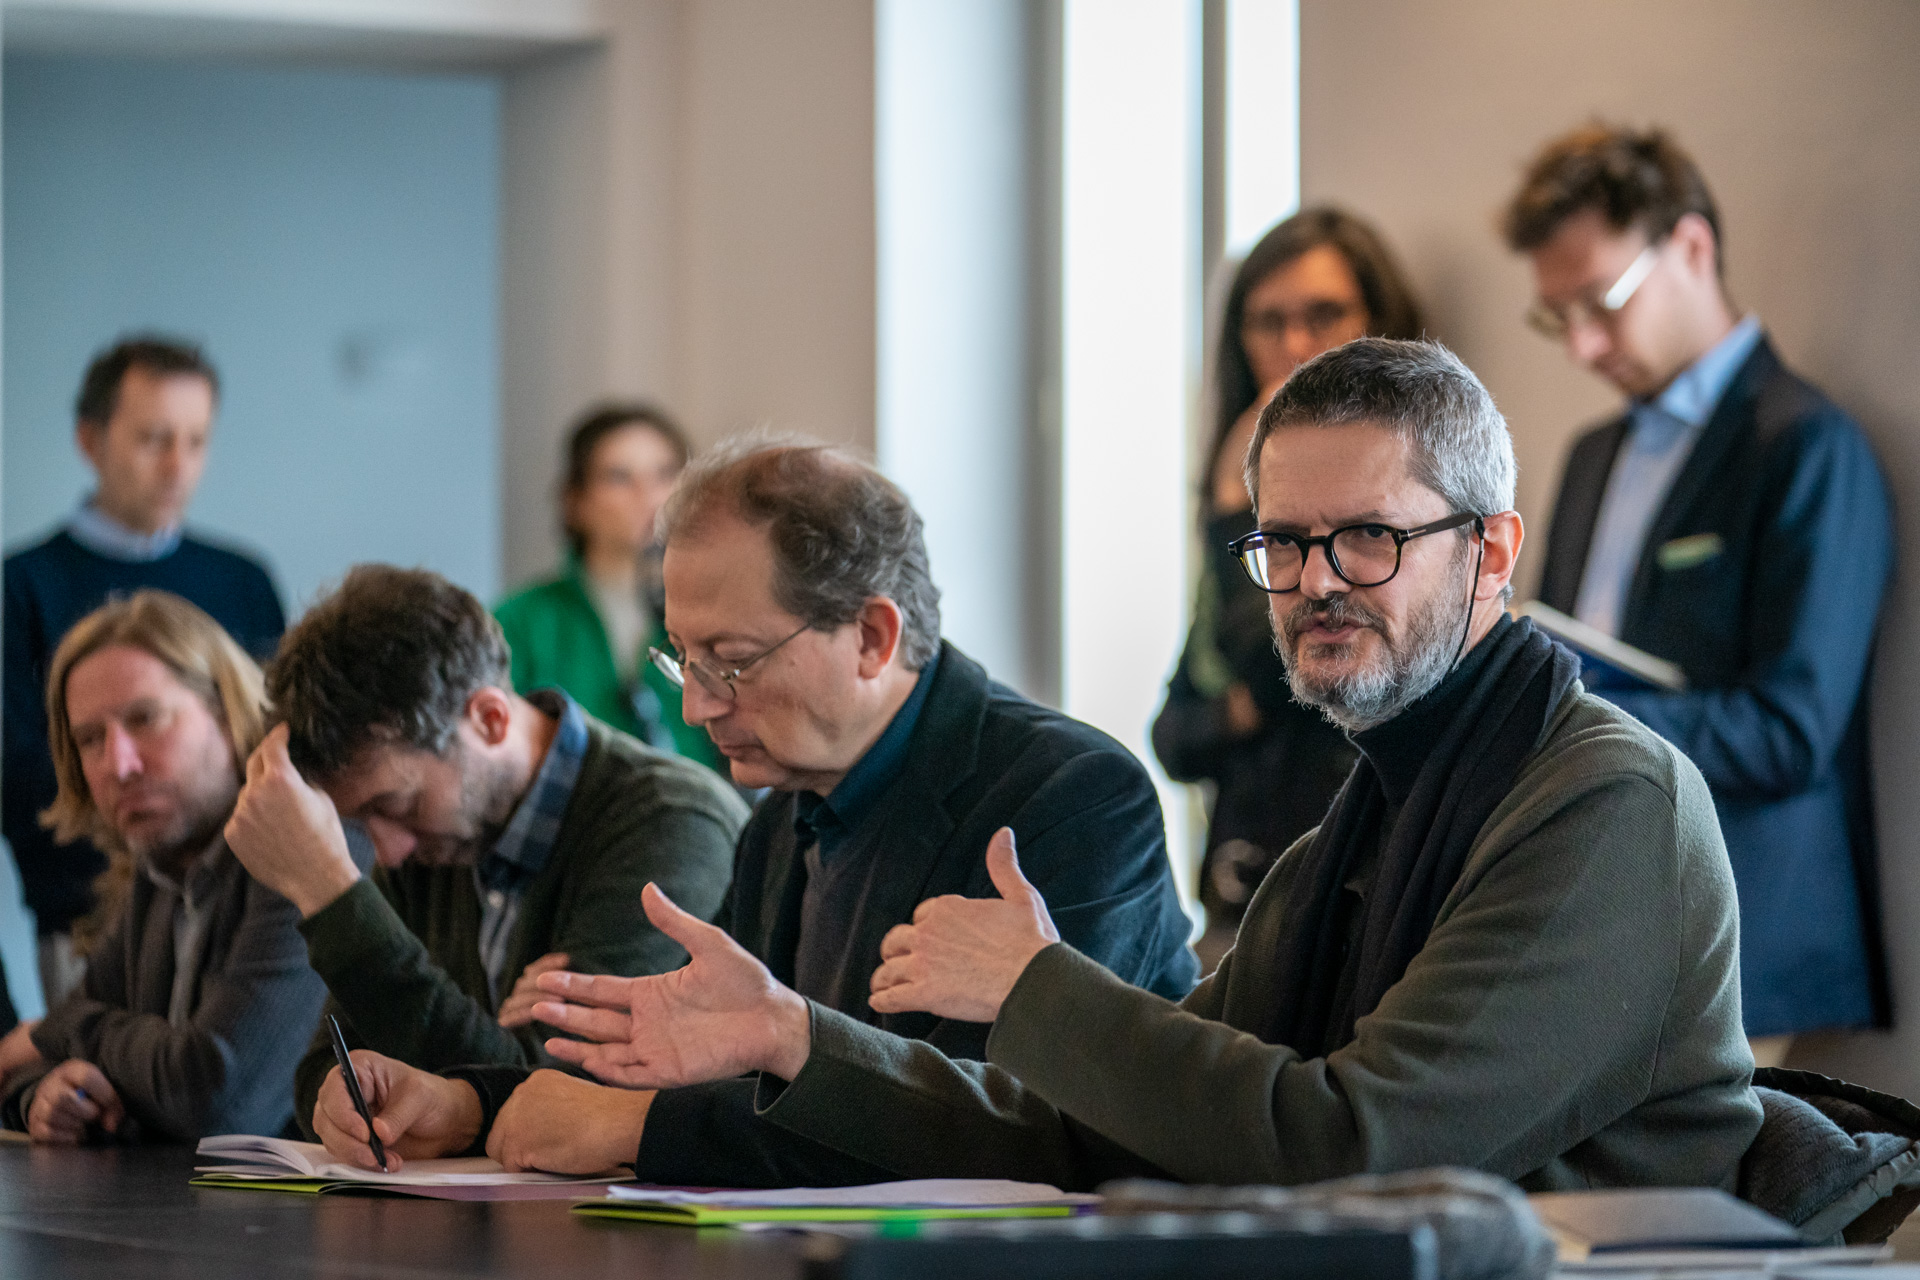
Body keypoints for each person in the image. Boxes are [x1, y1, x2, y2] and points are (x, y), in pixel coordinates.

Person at [516, 341, 1762, 1193]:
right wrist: (795, 1035)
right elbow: (1095, 1125)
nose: (1317, 577)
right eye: (1284, 540)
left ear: (1492, 552)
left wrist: (1039, 985)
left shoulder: (1605, 800)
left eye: (1370, 536)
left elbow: (1360, 1142)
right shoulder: (1367, 822)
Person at [308, 441, 1199, 1183]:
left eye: (728, 661)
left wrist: (644, 1130)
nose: (696, 708)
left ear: (873, 638)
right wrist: (465, 1105)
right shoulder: (782, 817)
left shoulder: (1074, 794)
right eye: (681, 660)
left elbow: (1001, 1126)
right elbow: (720, 1071)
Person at [1508, 124, 1894, 1065]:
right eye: (1560, 318)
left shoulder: (1805, 446)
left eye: (1602, 301)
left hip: (1746, 922)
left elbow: (1793, 729)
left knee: (1699, 1213)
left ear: (1690, 246)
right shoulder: (1592, 454)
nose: (1586, 346)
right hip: (1601, 911)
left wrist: (1582, 723)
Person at [219, 565, 747, 1135]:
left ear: (490, 719)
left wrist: (329, 894)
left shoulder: (670, 823)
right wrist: (347, 1100)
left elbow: (555, 1101)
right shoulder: (434, 840)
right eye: (361, 822)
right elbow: (331, 1066)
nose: (388, 853)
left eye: (397, 804)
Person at [1153, 208, 1425, 966]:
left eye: (1323, 314)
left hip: (1352, 893)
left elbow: (1277, 672)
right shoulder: (1236, 477)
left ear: (1380, 321)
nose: (1295, 346)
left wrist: (1230, 508)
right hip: (1238, 884)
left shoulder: (1416, 495)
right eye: (1267, 322)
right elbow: (1175, 733)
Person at [0, 592, 347, 1141]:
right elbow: (36, 1062)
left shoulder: (309, 847)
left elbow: (219, 1101)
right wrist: (46, 1094)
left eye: (146, 719)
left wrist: (61, 1030)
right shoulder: (160, 871)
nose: (120, 764)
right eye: (90, 739)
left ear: (226, 709)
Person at [4, 336, 284, 1017]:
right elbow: (16, 769)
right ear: (90, 440)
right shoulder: (23, 587)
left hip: (241, 914)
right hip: (86, 920)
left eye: (195, 441)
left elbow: (277, 739)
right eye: (153, 438)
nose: (176, 466)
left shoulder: (242, 580)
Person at [495, 403, 722, 773]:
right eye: (619, 476)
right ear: (575, 501)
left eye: (664, 474)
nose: (648, 495)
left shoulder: (721, 611)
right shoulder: (518, 622)